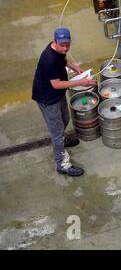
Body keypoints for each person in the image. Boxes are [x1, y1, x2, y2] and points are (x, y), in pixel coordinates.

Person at [32, 28, 96, 177]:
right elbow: (56, 84)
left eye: (68, 44)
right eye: (63, 45)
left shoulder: (58, 50)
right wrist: (81, 82)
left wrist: (75, 67)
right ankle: (62, 164)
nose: (65, 48)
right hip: (48, 98)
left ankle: (62, 141)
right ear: (55, 41)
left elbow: (63, 60)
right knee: (57, 132)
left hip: (57, 94)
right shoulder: (49, 59)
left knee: (65, 119)